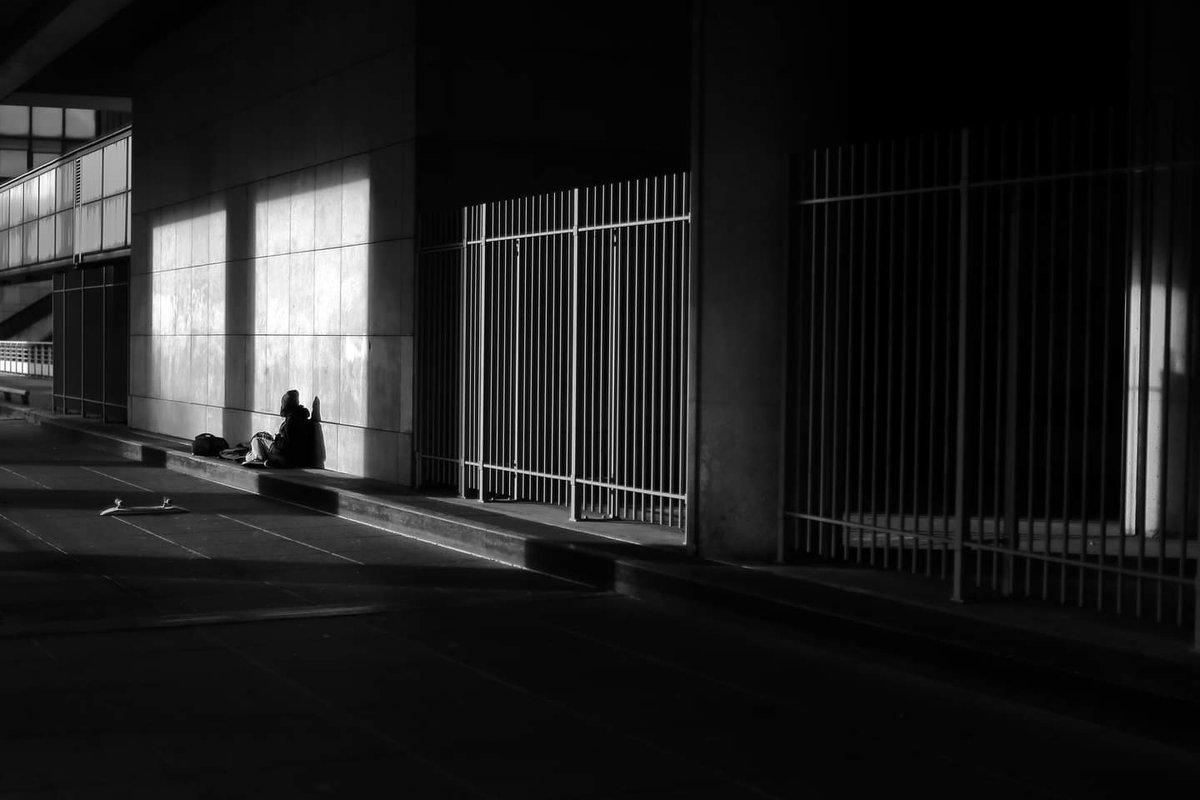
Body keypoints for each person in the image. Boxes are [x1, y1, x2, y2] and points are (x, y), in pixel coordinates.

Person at [244, 389, 313, 468]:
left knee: (257, 439)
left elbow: (285, 446)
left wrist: (277, 438)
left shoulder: (292, 422)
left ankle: (257, 459)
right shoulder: (301, 418)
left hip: (287, 458)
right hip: (298, 459)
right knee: (252, 452)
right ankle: (255, 457)